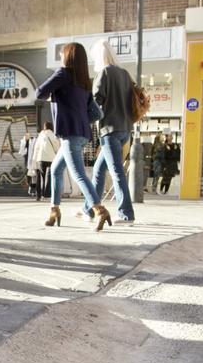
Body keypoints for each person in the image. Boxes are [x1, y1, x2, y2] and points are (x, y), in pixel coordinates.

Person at [35, 42, 110, 230]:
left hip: (70, 133)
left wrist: (55, 96)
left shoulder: (63, 74)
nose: (60, 55)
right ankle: (54, 210)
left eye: (62, 53)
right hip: (82, 133)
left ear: (68, 56)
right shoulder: (85, 82)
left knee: (78, 174)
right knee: (55, 169)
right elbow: (95, 113)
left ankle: (99, 209)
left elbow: (39, 92)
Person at [89, 41, 136, 224]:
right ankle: (89, 209)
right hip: (125, 130)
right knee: (99, 170)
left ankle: (126, 214)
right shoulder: (125, 74)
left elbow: (94, 102)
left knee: (116, 173)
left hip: (109, 130)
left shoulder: (104, 73)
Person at [32, 122, 59, 201]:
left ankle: (39, 195)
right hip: (51, 159)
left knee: (41, 177)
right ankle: (47, 195)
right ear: (51, 127)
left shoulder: (40, 135)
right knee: (50, 177)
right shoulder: (53, 135)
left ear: (44, 127)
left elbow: (36, 148)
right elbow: (57, 148)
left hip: (41, 158)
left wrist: (34, 160)